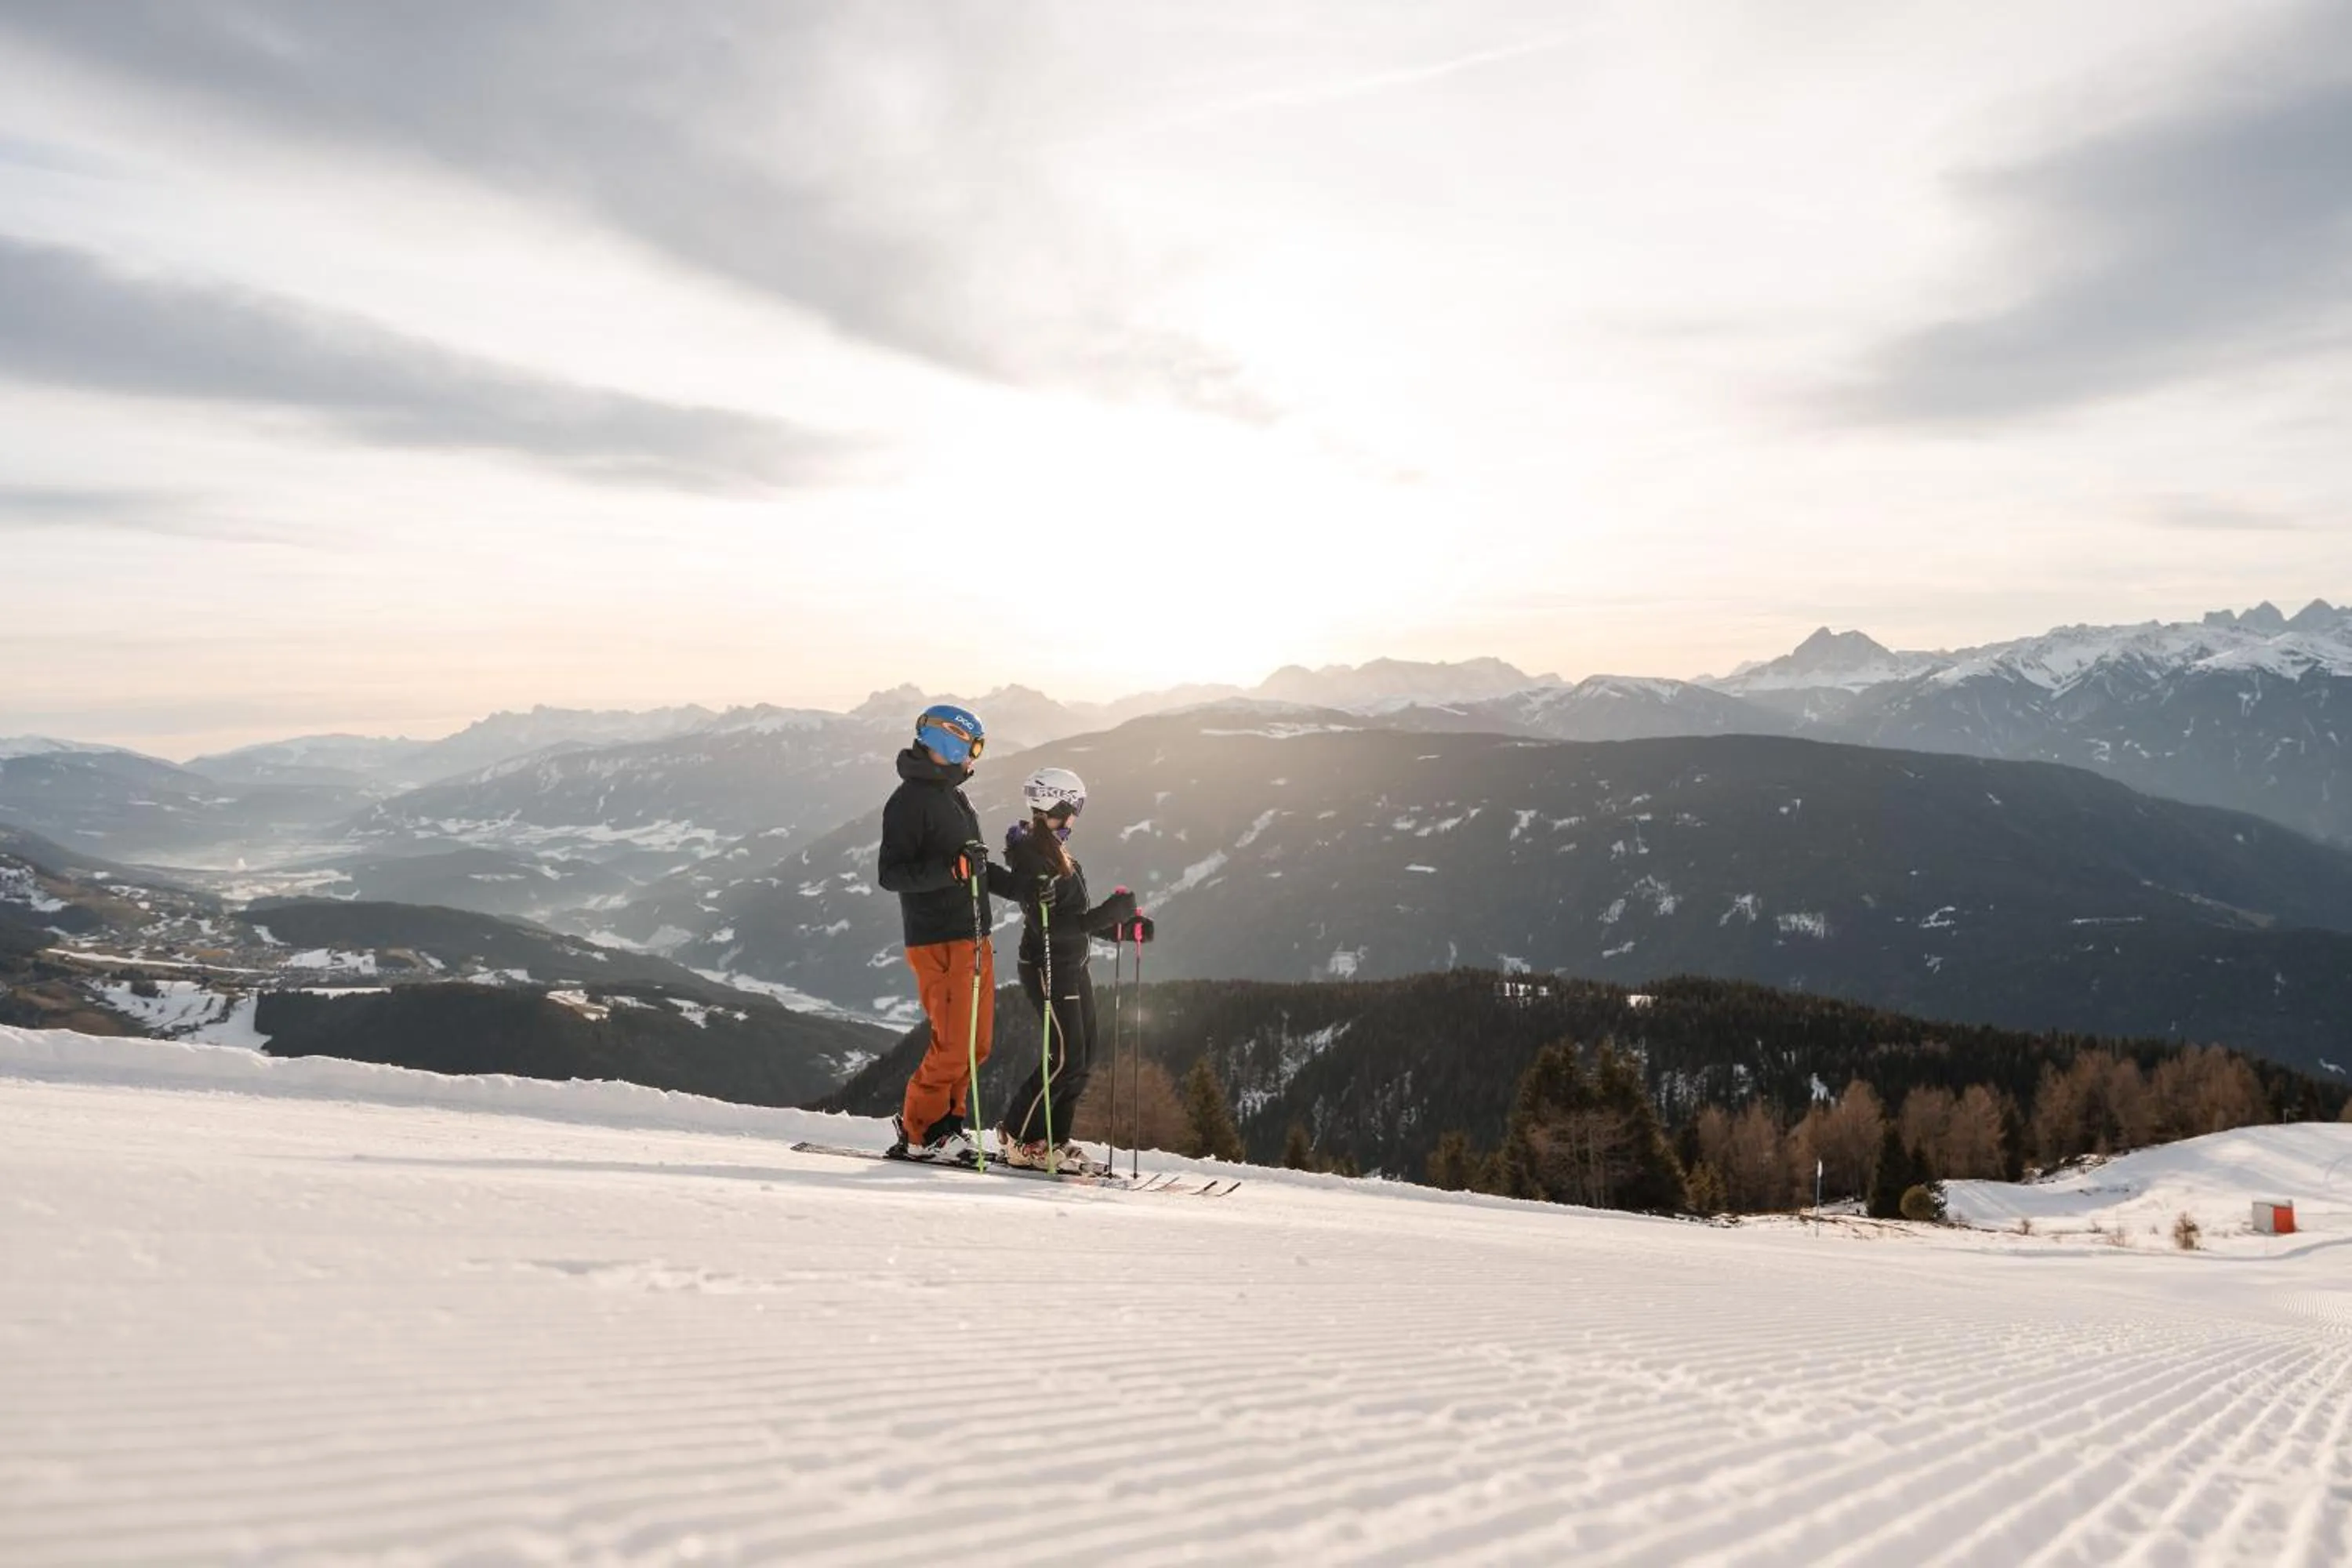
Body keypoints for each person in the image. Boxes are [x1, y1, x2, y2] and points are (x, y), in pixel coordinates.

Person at [877, 702, 1011, 1161]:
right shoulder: (909, 801)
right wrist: (950, 870)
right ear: (950, 743)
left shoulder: (954, 797)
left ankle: (948, 1127)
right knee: (953, 1044)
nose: (974, 759)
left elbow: (974, 867)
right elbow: (891, 874)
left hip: (974, 936)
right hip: (939, 939)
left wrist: (1028, 890)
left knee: (976, 1045)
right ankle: (921, 1131)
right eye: (974, 748)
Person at [994, 766, 1139, 1173]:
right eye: (1074, 809)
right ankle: (1019, 1138)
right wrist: (1107, 914)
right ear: (1059, 806)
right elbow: (1050, 927)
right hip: (1048, 965)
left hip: (1072, 964)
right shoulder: (1032, 858)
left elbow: (1074, 917)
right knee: (1063, 1058)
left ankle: (1054, 1140)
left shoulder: (1054, 850)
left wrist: (1122, 927)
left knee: (1082, 1057)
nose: (1076, 818)